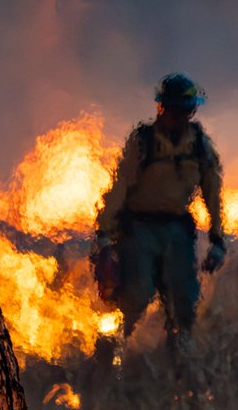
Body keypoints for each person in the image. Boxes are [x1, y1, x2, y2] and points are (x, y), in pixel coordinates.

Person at [93, 73, 226, 354]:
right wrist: (104, 235)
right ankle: (113, 350)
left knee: (183, 298)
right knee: (136, 295)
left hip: (176, 228)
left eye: (186, 109)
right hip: (139, 227)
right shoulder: (143, 142)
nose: (180, 116)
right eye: (175, 109)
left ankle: (179, 358)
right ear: (162, 108)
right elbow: (121, 185)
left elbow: (212, 191)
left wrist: (218, 239)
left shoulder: (199, 144)